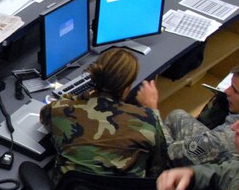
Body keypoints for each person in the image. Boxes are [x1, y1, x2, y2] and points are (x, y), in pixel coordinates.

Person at [42, 47, 167, 179]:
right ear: (126, 88)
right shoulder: (149, 121)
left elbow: (45, 115)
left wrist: (82, 98)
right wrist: (152, 110)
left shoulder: (60, 110)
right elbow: (159, 167)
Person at [150, 61, 239, 166]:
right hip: (223, 158)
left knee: (149, 132)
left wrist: (152, 110)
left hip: (200, 184)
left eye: (235, 91)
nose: (227, 91)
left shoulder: (227, 137)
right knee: (177, 116)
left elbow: (168, 153)